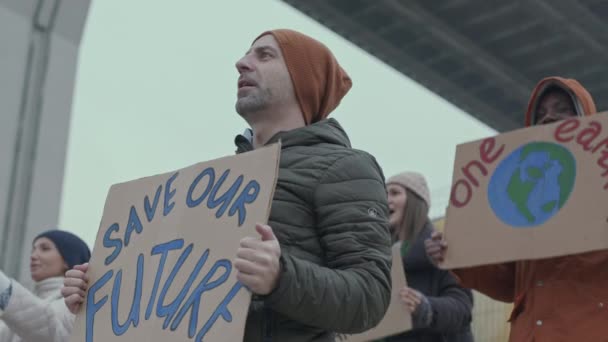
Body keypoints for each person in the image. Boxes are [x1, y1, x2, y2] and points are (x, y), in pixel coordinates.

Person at [62, 29, 393, 342]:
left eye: (265, 55)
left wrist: (281, 278)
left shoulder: (345, 167)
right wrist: (101, 290)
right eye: (247, 54)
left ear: (303, 81)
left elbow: (370, 296)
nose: (242, 63)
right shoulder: (220, 182)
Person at [426, 76, 608, 341]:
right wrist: (457, 257)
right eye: (541, 114)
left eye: (562, 109)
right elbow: (506, 284)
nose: (548, 118)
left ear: (586, 119)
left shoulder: (602, 187)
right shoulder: (524, 206)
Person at [379, 172, 473, 342]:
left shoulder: (441, 248)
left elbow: (462, 309)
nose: (386, 200)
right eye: (383, 194)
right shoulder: (380, 258)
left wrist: (425, 308)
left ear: (415, 202)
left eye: (394, 193)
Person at [0, 229, 91, 342]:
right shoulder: (27, 301)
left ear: (67, 259)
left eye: (45, 249)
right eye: (33, 249)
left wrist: (4, 290)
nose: (33, 255)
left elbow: (47, 328)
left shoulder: (76, 305)